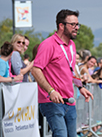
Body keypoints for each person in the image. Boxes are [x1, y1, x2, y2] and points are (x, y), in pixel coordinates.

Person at [31, 9, 92, 137]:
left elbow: (71, 68)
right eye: (73, 24)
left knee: (72, 135)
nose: (77, 28)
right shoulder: (48, 44)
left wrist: (80, 87)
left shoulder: (71, 45)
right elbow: (36, 69)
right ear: (61, 25)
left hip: (69, 100)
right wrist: (51, 91)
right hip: (52, 101)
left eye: (77, 24)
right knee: (61, 134)